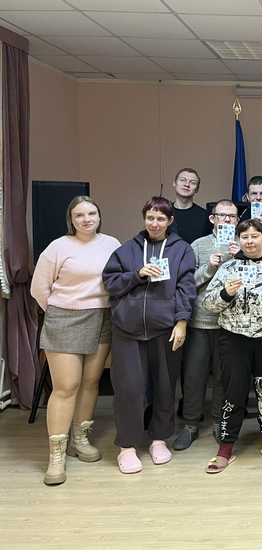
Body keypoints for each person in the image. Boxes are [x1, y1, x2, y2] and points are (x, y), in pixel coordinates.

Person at [102, 197, 197, 474]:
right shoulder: (127, 250)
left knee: (166, 387)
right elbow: (110, 282)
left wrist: (182, 321)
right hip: (127, 331)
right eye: (150, 218)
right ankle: (127, 445)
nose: (154, 223)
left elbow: (186, 288)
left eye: (160, 218)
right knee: (128, 389)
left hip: (165, 330)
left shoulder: (182, 250)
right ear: (144, 218)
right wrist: (136, 274)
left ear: (170, 221)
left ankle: (159, 439)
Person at [31, 196, 120, 485]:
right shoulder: (58, 247)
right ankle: (56, 454)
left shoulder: (112, 244)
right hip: (65, 318)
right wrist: (61, 311)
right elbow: (38, 288)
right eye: (79, 215)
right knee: (66, 386)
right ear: (71, 220)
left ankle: (79, 439)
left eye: (92, 213)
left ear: (99, 216)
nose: (86, 219)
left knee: (91, 382)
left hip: (103, 316)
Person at [202, 218, 262, 472]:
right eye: (244, 237)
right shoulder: (228, 267)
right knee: (232, 392)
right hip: (234, 339)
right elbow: (208, 304)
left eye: (254, 236)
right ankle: (225, 448)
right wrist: (226, 293)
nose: (249, 241)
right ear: (238, 240)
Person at [173, 199, 240, 451]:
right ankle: (190, 425)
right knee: (194, 375)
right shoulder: (198, 245)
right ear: (213, 219)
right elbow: (187, 282)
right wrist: (209, 268)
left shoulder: (242, 243)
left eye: (232, 217)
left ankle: (219, 423)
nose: (227, 220)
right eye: (222, 215)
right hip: (200, 321)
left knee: (224, 376)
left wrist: (240, 258)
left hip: (230, 322)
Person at [171, 167, 210, 244]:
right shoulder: (163, 213)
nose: (187, 184)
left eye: (192, 182)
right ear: (174, 183)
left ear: (197, 189)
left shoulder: (205, 216)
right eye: (183, 180)